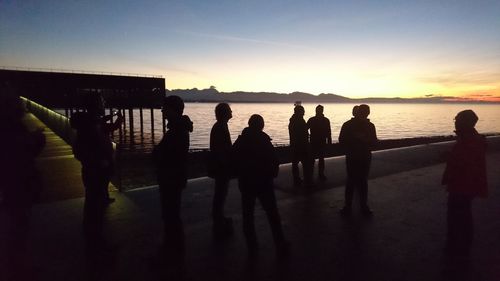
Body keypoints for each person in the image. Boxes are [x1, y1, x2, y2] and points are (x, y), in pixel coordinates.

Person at [0, 87, 45, 280]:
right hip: (18, 182)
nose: (22, 105)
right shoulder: (12, 128)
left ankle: (16, 264)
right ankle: (18, 268)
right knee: (19, 225)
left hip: (13, 183)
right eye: (19, 102)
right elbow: (21, 153)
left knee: (18, 224)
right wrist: (37, 140)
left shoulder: (7, 127)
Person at [232, 114, 289, 257]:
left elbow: (233, 158)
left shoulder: (241, 140)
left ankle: (252, 246)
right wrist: (272, 173)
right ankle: (280, 243)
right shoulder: (264, 140)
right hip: (264, 182)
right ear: (261, 125)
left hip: (246, 182)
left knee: (248, 215)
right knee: (272, 214)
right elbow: (274, 160)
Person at [442, 110, 487, 257]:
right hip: (465, 185)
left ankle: (457, 247)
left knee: (458, 217)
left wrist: (450, 158)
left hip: (462, 186)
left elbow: (465, 164)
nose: (455, 121)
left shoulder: (469, 141)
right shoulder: (471, 138)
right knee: (463, 216)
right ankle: (460, 245)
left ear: (465, 122)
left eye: (457, 119)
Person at [152, 95, 193, 260]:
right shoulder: (178, 129)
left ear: (173, 110)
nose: (162, 110)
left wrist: (156, 154)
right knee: (171, 214)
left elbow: (166, 155)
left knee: (171, 215)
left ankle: (173, 250)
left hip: (171, 178)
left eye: (165, 108)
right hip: (174, 177)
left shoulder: (176, 131)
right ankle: (174, 249)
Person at [338, 104, 377, 216]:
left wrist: (361, 141)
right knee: (360, 181)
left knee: (353, 181)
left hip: (355, 157)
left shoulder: (348, 125)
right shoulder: (370, 126)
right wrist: (361, 141)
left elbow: (341, 141)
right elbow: (374, 143)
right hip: (361, 157)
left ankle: (349, 207)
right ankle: (361, 207)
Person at [208, 103, 234, 239]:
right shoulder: (220, 127)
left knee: (221, 194)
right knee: (220, 194)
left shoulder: (221, 126)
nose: (232, 112)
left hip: (222, 166)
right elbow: (220, 150)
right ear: (224, 113)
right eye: (230, 110)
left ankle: (219, 219)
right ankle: (218, 221)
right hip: (221, 167)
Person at [288, 105, 313, 186]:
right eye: (303, 111)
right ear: (299, 112)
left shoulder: (294, 121)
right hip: (300, 145)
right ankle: (306, 180)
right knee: (305, 163)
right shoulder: (298, 121)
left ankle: (297, 179)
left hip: (296, 145)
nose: (304, 113)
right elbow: (301, 132)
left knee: (295, 163)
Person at [307, 105, 332, 181]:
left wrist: (307, 137)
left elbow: (305, 129)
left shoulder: (312, 119)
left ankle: (313, 175)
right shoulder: (325, 120)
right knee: (319, 159)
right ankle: (319, 174)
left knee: (314, 159)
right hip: (319, 142)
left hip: (315, 141)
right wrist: (329, 142)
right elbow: (329, 132)